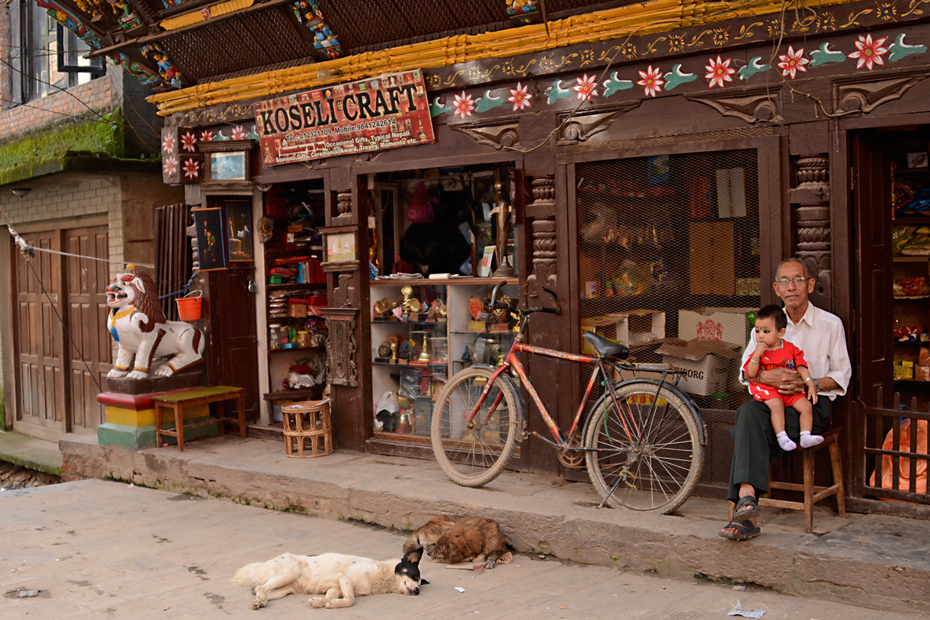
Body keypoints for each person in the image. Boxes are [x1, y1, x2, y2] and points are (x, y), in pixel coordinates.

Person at [719, 258, 851, 541]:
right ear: (777, 289)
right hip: (772, 400)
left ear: (811, 285)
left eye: (798, 280)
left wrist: (809, 382)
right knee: (747, 413)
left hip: (810, 406)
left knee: (747, 429)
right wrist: (770, 378)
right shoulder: (767, 325)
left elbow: (842, 376)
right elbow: (746, 373)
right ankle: (747, 500)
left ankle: (746, 511)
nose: (792, 287)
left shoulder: (830, 325)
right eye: (785, 282)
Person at [743, 304, 820, 453]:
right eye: (758, 330)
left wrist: (809, 382)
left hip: (790, 391)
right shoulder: (759, 351)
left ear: (781, 333)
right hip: (770, 390)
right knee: (776, 406)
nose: (760, 335)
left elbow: (801, 366)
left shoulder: (790, 348)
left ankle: (805, 436)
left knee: (806, 407)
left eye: (766, 331)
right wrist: (757, 355)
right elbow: (751, 374)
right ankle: (781, 437)